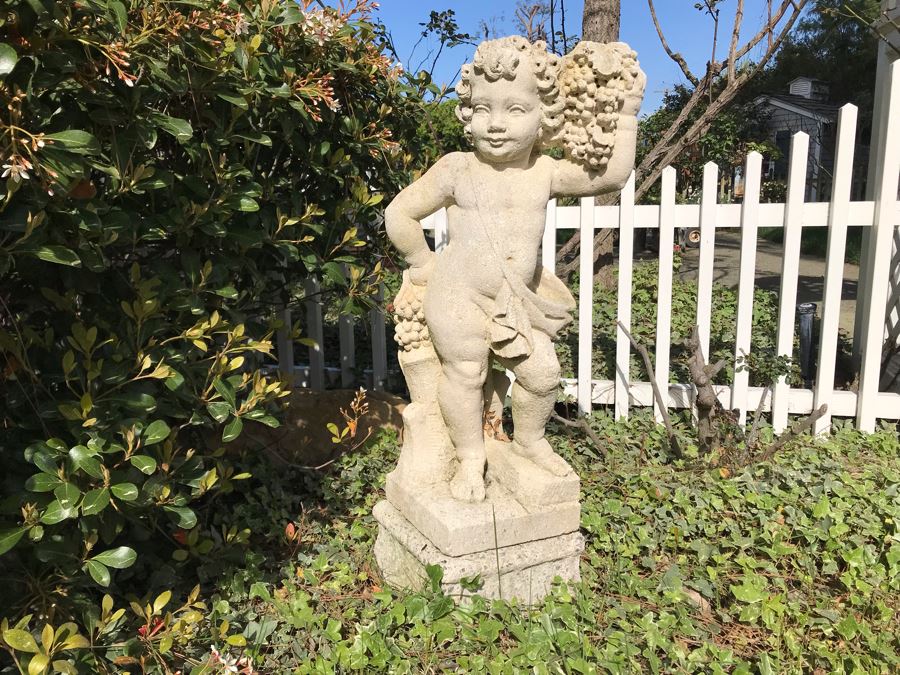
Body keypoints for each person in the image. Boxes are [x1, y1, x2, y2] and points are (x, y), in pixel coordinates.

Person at [385, 36, 645, 502]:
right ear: (467, 113)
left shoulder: (544, 172)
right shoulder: (457, 168)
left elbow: (610, 176)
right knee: (464, 375)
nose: (496, 125)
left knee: (542, 375)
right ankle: (469, 457)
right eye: (482, 109)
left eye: (514, 110)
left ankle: (530, 440)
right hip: (457, 295)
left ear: (544, 115)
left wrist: (625, 116)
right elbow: (400, 214)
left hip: (514, 301)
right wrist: (421, 263)